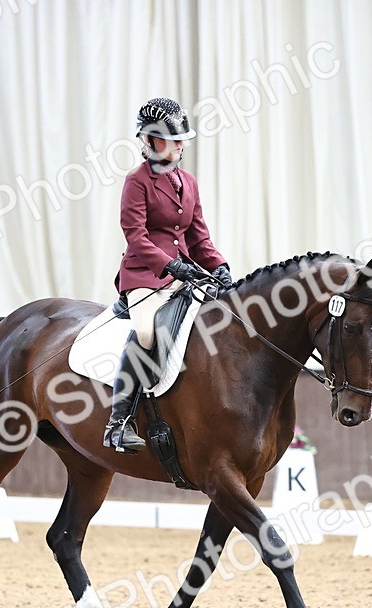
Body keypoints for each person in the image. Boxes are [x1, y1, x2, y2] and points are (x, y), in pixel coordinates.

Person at [104, 97, 234, 453]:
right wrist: (169, 264)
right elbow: (136, 236)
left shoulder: (188, 181)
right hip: (145, 274)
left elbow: (198, 235)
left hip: (184, 273)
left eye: (181, 140)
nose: (179, 145)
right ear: (148, 142)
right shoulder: (136, 182)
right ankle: (118, 423)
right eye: (171, 140)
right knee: (148, 331)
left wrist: (218, 265)